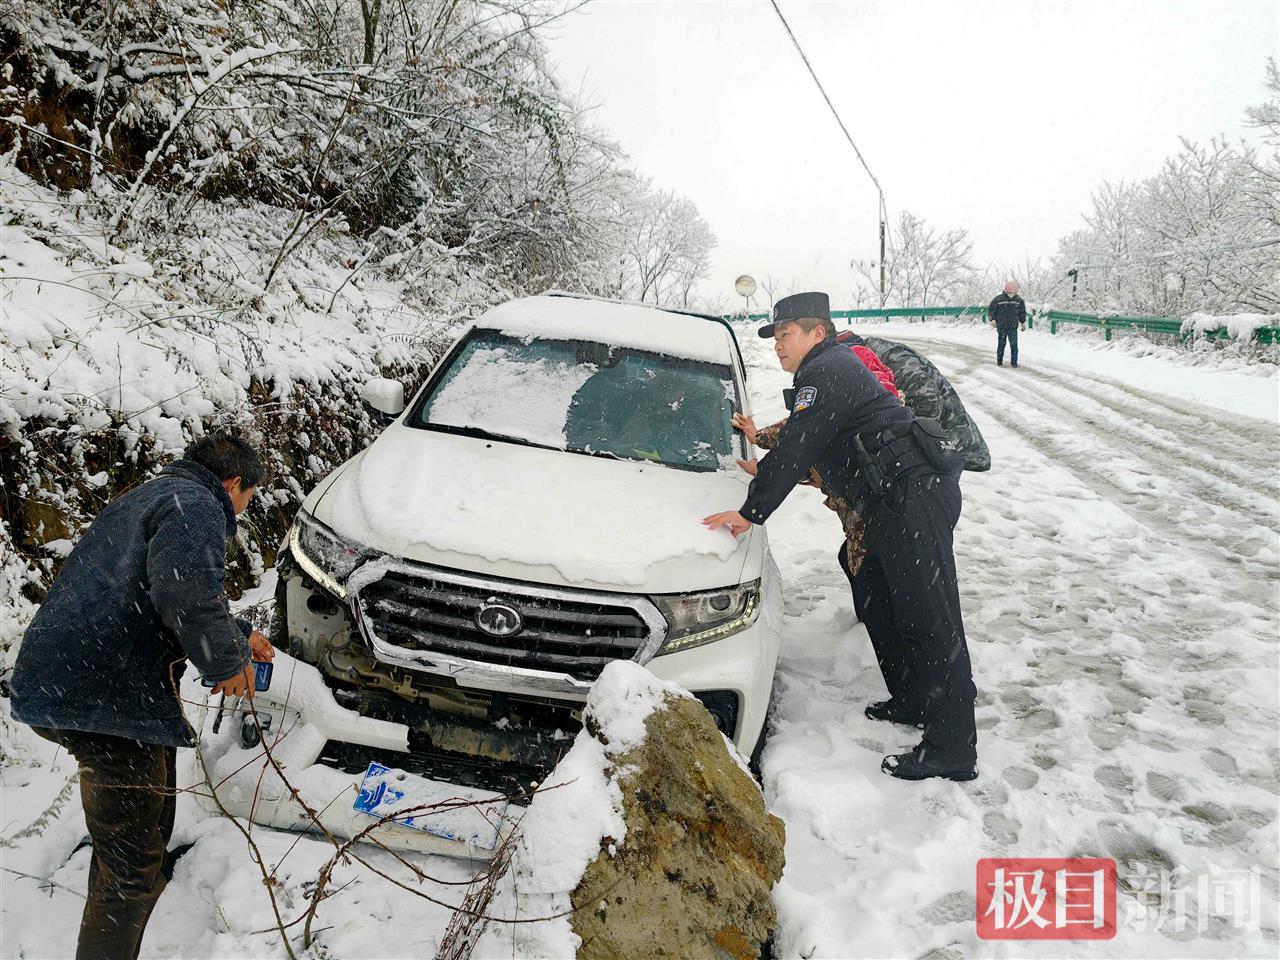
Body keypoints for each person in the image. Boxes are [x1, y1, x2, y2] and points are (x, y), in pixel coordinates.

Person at [10, 432, 273, 960]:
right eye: (246, 499)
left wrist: (236, 631)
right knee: (130, 868)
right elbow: (182, 591)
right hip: (106, 696)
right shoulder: (199, 504)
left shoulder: (155, 494)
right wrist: (225, 663)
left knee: (146, 833)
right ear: (234, 483)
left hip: (79, 679)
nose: (241, 512)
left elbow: (146, 587)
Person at [704, 292, 978, 782]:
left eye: (785, 335)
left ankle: (954, 748)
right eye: (774, 338)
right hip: (892, 501)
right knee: (875, 590)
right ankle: (915, 698)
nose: (777, 346)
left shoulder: (827, 369)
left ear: (817, 333)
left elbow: (798, 444)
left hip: (914, 495)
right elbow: (808, 445)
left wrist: (751, 510)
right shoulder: (829, 372)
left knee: (931, 620)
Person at [988, 280, 1027, 367]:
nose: (1011, 294)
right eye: (1009, 292)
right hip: (1002, 327)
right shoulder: (998, 299)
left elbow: (1022, 313)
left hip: (1013, 327)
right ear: (1005, 290)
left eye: (1013, 292)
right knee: (1001, 344)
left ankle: (1014, 363)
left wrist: (1023, 322)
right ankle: (999, 362)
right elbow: (991, 310)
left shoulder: (1019, 300)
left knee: (1014, 345)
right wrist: (992, 319)